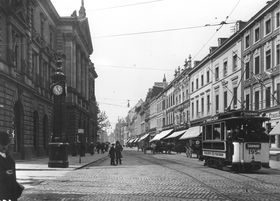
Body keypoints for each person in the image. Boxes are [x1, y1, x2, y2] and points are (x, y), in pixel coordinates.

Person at [0, 131, 24, 201]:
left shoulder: (9, 158)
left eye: (6, 145)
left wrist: (15, 188)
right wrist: (5, 173)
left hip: (10, 191)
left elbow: (13, 176)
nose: (4, 147)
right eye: (2, 145)